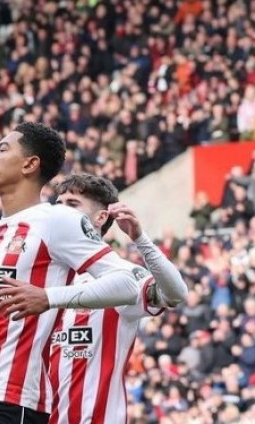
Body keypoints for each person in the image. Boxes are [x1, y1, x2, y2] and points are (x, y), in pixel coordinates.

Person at [0, 123, 142, 424]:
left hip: (14, 400)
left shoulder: (56, 220)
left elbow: (127, 283)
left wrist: (48, 298)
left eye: (3, 149)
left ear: (30, 164)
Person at [48, 174, 188, 424]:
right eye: (58, 203)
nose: (60, 210)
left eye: (72, 204)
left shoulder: (120, 277)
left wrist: (140, 239)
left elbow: (176, 293)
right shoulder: (44, 276)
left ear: (100, 218)